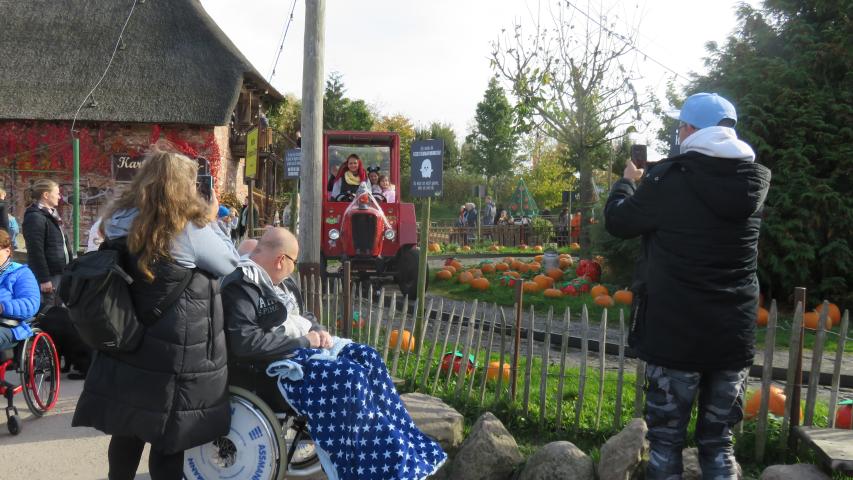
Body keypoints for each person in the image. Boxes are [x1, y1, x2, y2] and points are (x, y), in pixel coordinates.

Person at [604, 92, 771, 480]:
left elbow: (618, 222)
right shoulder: (752, 182)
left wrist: (627, 184)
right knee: (718, 445)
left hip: (675, 334)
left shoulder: (668, 180)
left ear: (691, 130)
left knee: (665, 444)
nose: (678, 133)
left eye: (680, 126)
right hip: (732, 335)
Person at [72, 142, 240, 480]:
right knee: (167, 436)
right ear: (185, 185)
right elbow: (229, 262)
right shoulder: (189, 229)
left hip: (127, 334)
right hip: (172, 347)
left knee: (128, 428)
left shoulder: (117, 218)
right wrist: (212, 219)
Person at [221, 227, 446, 479]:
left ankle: (399, 445)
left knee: (368, 358)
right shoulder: (241, 286)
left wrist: (318, 331)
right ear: (280, 260)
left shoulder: (282, 283)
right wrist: (305, 342)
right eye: (293, 262)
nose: (293, 269)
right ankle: (371, 464)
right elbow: (245, 342)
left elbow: (302, 316)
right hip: (269, 369)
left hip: (300, 350)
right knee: (351, 377)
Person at [22, 179, 74, 310]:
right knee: (48, 310)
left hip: (60, 271)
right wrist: (44, 279)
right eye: (57, 193)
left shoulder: (51, 215)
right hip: (50, 275)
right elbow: (35, 251)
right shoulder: (35, 217)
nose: (59, 197)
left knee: (60, 310)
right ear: (46, 195)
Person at [0, 230, 40, 352]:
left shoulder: (21, 273)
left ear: (7, 251)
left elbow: (31, 303)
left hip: (8, 325)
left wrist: (2, 307)